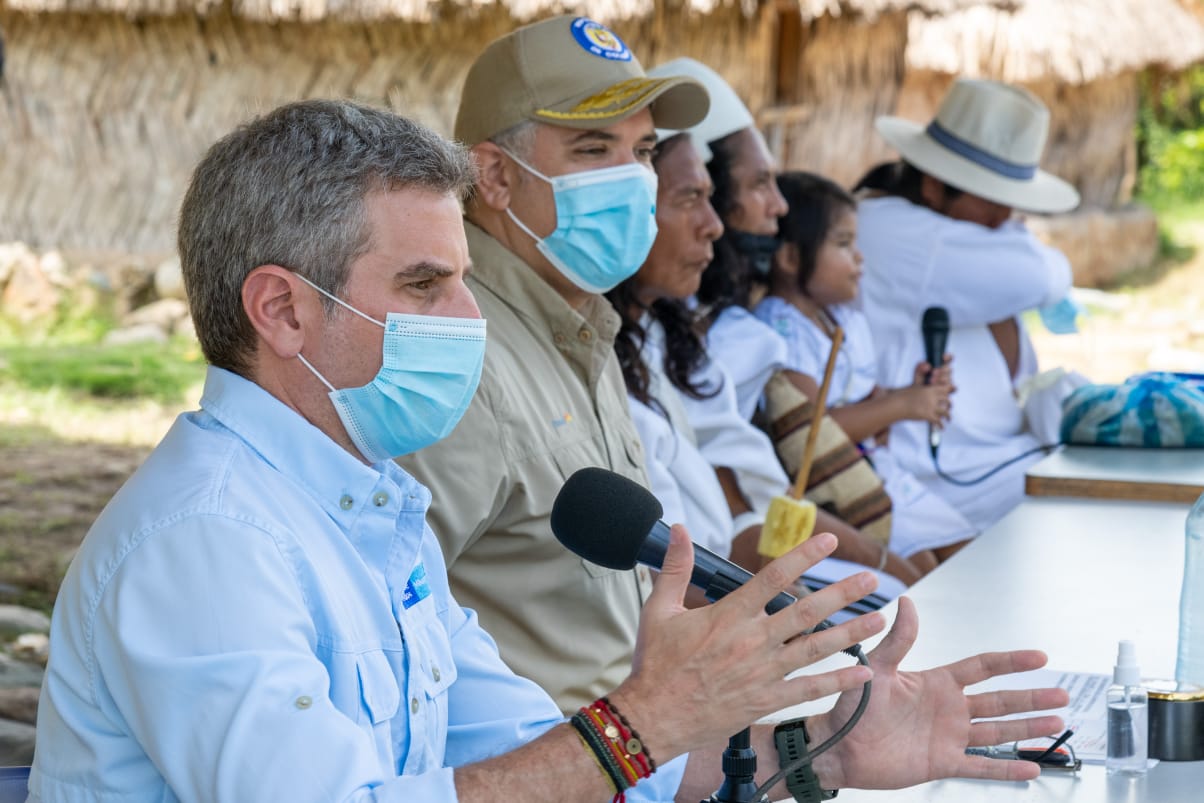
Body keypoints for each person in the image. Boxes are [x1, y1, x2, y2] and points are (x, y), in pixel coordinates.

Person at [28, 96, 1071, 802]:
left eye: (464, 282)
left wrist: (826, 751)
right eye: (427, 287)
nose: (468, 320)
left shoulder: (368, 507)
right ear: (283, 310)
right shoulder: (206, 538)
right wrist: (641, 716)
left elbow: (558, 758)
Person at [645, 57, 928, 583]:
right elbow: (739, 514)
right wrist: (880, 561)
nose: (778, 208)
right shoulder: (706, 338)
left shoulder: (716, 326)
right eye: (758, 186)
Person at [606, 133, 909, 601]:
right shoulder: (703, 341)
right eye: (690, 198)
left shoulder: (666, 339)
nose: (713, 226)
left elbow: (744, 503)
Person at [855, 78, 1080, 532]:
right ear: (935, 186)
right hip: (949, 480)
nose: (1005, 220)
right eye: (992, 201)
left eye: (1012, 206)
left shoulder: (956, 234)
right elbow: (1045, 274)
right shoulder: (893, 232)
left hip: (1001, 464)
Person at [754, 171, 976, 561]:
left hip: (878, 476)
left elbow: (867, 408)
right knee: (925, 564)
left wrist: (907, 395)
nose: (859, 257)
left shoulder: (844, 320)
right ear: (789, 257)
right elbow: (812, 436)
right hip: (838, 498)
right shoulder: (780, 330)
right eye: (843, 243)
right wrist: (903, 405)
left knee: (962, 553)